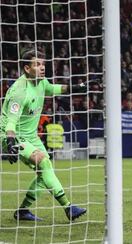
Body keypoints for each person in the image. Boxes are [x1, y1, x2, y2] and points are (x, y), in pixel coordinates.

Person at [0, 49, 88, 221]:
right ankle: (68, 207)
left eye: (43, 64)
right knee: (43, 161)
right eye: (37, 64)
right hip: (12, 136)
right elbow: (10, 122)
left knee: (45, 170)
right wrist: (10, 142)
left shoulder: (41, 82)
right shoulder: (19, 92)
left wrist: (78, 87)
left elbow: (55, 88)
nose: (42, 68)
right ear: (27, 68)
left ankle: (23, 211)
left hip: (30, 136)